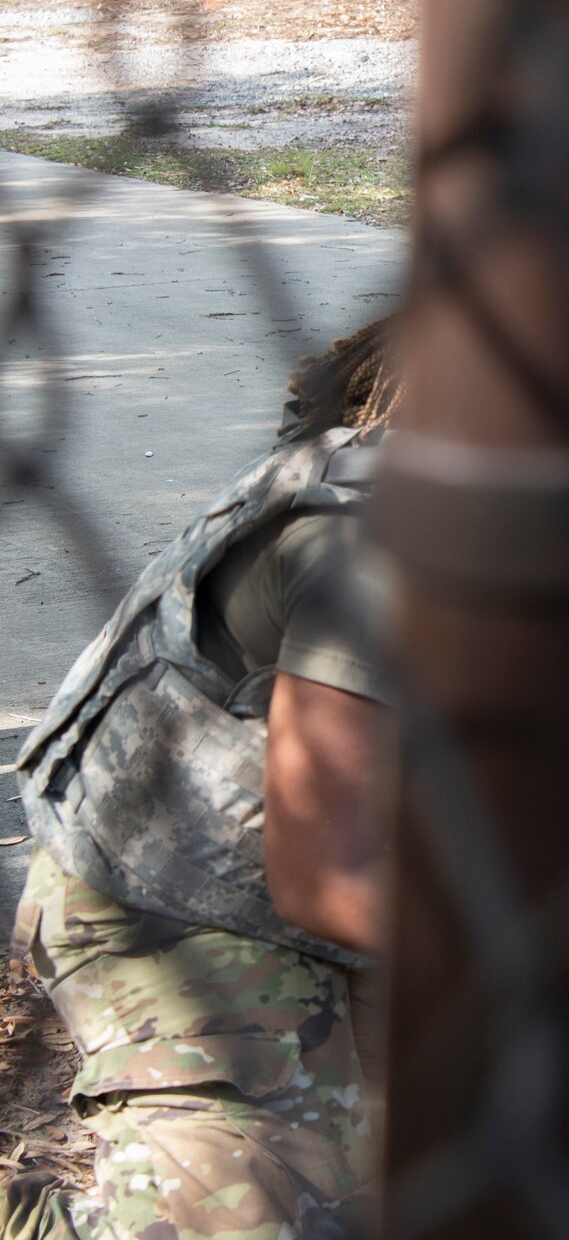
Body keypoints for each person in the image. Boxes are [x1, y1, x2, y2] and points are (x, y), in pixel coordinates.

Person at [3, 324, 397, 1239]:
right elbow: (321, 879)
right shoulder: (387, 550)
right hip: (162, 902)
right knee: (276, 1213)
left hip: (323, 875)